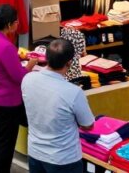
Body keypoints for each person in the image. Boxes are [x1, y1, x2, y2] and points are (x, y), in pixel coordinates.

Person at [22, 39, 95, 173]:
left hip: (35, 152)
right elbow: (88, 124)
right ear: (69, 62)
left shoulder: (28, 79)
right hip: (64, 159)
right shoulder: (74, 92)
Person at [0, 4, 37, 173]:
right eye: (16, 21)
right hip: (7, 102)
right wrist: (30, 65)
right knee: (5, 143)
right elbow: (19, 76)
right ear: (10, 24)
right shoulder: (6, 47)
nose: (18, 24)